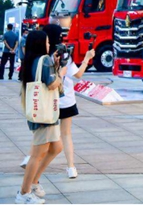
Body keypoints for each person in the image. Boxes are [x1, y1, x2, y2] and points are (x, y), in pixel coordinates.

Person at [22, 25, 95, 180]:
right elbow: (78, 75)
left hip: (47, 103)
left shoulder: (41, 56)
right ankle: (71, 167)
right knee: (65, 134)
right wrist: (87, 58)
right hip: (65, 100)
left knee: (41, 133)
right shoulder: (64, 55)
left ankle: (29, 158)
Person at [16, 30, 63, 204]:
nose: (49, 45)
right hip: (45, 115)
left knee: (56, 147)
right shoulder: (44, 61)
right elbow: (52, 84)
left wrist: (54, 66)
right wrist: (59, 73)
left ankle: (34, 182)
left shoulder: (32, 61)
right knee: (37, 154)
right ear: (40, 44)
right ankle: (24, 192)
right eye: (47, 42)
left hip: (43, 113)